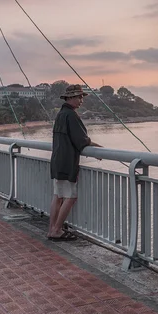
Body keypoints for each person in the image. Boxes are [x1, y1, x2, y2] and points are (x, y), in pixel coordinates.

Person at [48, 84, 101, 241]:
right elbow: (81, 140)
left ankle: (52, 228)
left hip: (57, 160)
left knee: (58, 195)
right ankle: (57, 230)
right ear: (70, 98)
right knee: (70, 197)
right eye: (79, 97)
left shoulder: (60, 114)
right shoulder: (71, 115)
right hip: (66, 162)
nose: (81, 100)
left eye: (82, 97)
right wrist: (95, 147)